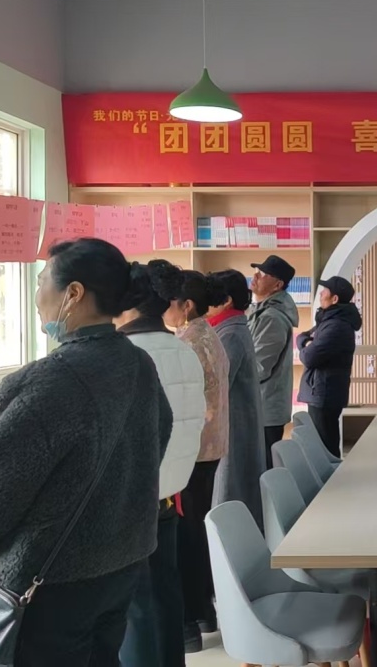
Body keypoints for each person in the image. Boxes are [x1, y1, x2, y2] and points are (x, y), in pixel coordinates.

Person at [0, 238, 172, 666]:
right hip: (122, 559)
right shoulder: (138, 363)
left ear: (74, 293)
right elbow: (156, 440)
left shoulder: (48, 381)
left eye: (42, 281)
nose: (37, 295)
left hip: (52, 578)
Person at [114, 262, 207, 667]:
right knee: (165, 593)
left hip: (132, 497)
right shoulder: (183, 350)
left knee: (135, 605)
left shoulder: (127, 355)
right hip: (169, 491)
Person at [151, 261, 230, 653]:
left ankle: (191, 622)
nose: (163, 309)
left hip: (192, 452)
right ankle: (203, 613)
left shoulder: (187, 343)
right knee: (195, 531)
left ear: (186, 305)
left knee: (186, 537)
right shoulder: (207, 334)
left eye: (169, 302)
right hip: (208, 449)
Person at [205, 269, 265, 524]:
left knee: (232, 491)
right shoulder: (231, 328)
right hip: (237, 420)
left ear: (226, 300)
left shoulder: (229, 333)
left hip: (233, 423)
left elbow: (217, 385)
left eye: (210, 298)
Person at [297, 276, 362, 458]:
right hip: (322, 391)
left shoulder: (336, 326)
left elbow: (309, 357)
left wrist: (305, 345)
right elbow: (304, 338)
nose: (320, 295)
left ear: (334, 299)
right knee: (322, 445)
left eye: (324, 291)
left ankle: (332, 476)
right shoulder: (329, 320)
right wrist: (306, 343)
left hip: (324, 392)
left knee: (325, 449)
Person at [248, 255, 300, 469]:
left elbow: (260, 367)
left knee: (264, 469)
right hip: (261, 405)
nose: (255, 276)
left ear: (277, 285)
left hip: (265, 408)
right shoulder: (260, 310)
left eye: (263, 274)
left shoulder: (272, 317)